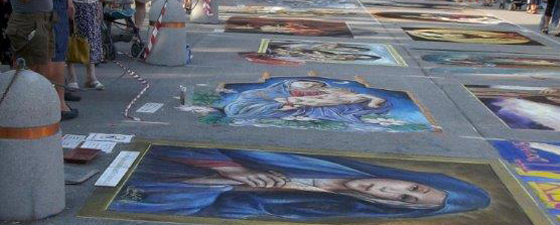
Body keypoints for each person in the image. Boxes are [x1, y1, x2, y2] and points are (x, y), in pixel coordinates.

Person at [108, 146, 491, 220]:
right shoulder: (333, 162)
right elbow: (232, 151)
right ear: (410, 176)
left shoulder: (317, 209)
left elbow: (223, 210)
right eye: (414, 188)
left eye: (406, 201)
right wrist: (231, 168)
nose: (395, 191)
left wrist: (235, 188)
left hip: (173, 188)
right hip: (177, 160)